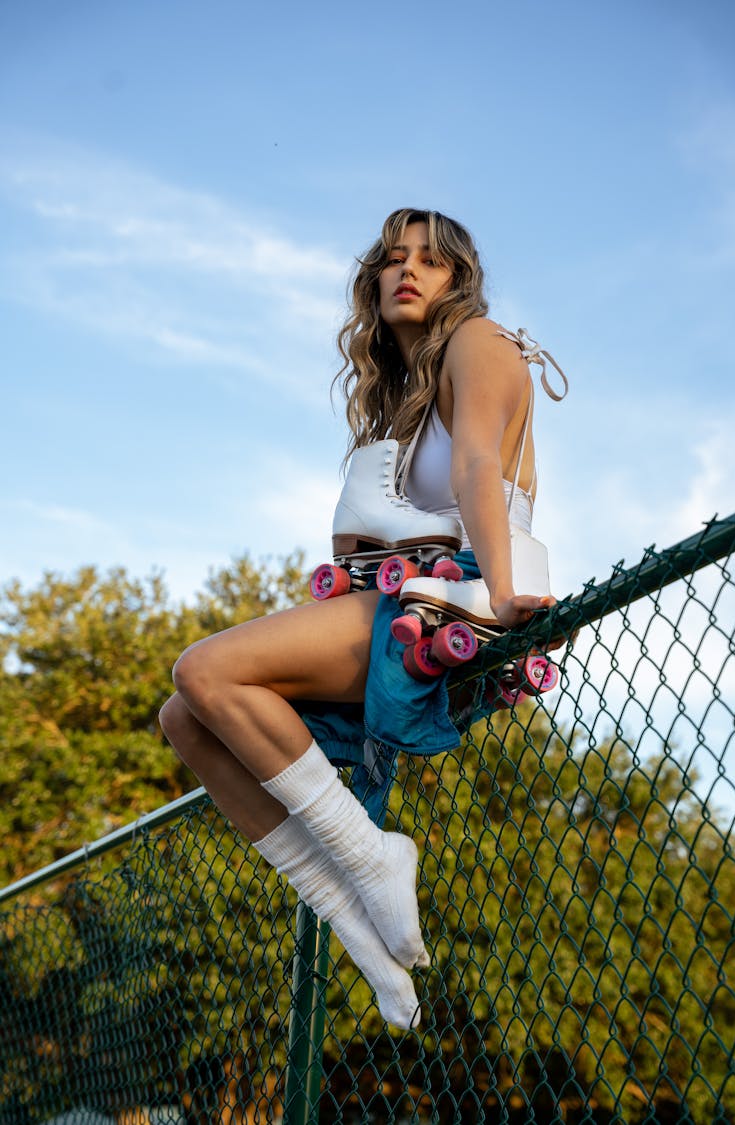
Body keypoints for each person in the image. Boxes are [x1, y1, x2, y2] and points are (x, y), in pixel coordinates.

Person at [159, 208, 562, 1031]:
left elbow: (483, 463)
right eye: (393, 258)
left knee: (202, 670)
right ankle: (356, 924)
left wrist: (511, 588)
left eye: (433, 260)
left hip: (460, 590)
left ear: (462, 281)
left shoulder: (479, 342)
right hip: (396, 594)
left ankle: (373, 856)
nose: (408, 270)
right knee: (186, 717)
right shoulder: (398, 403)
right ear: (372, 281)